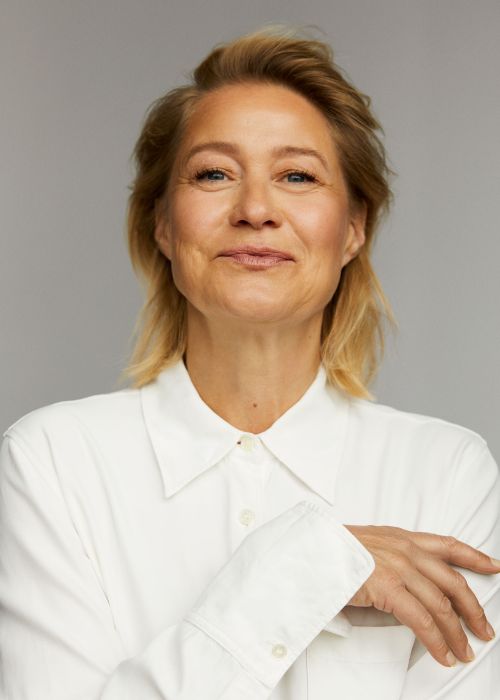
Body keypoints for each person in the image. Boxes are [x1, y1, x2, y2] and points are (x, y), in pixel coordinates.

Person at [1, 25, 499, 700]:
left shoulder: (446, 474)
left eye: (297, 176)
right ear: (163, 223)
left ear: (354, 227)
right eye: (215, 174)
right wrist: (304, 570)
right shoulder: (52, 464)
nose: (256, 209)